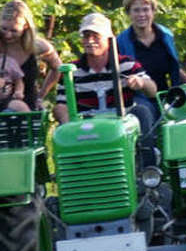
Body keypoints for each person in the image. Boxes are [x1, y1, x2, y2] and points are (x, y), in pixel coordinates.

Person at [53, 12, 159, 156]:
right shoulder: (72, 72)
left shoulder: (127, 65)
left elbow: (152, 90)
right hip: (85, 125)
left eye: (96, 36)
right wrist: (68, 125)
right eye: (86, 36)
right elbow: (61, 105)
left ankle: (148, 168)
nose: (90, 41)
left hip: (121, 122)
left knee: (143, 111)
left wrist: (141, 83)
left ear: (109, 40)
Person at [115, 0, 186, 94]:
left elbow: (175, 68)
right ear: (128, 13)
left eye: (145, 9)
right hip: (137, 98)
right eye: (136, 10)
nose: (141, 14)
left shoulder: (165, 36)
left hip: (166, 95)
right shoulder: (121, 42)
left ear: (153, 12)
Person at [0, 0, 62, 109]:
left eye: (14, 31)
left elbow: (58, 68)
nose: (7, 35)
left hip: (26, 104)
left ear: (26, 26)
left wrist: (41, 95)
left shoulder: (38, 46)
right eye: (4, 29)